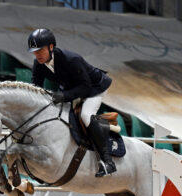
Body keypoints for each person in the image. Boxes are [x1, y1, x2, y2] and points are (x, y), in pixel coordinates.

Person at [27, 28, 116, 177]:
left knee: (86, 115)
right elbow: (36, 86)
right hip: (72, 86)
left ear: (51, 47)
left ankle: (108, 162)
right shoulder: (39, 63)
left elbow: (85, 87)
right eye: (34, 51)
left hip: (94, 87)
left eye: (40, 50)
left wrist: (63, 96)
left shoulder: (71, 59)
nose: (37, 55)